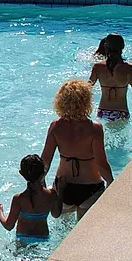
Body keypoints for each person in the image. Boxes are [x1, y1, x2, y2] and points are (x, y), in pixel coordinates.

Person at [41, 79, 113, 218]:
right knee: (85, 229)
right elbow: (101, 164)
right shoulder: (94, 128)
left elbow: (45, 161)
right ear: (86, 101)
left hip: (63, 186)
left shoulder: (56, 126)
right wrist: (111, 182)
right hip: (90, 187)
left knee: (64, 228)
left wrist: (42, 187)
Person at [0, 155, 62, 242]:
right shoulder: (52, 195)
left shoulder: (18, 199)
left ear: (21, 173)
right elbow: (56, 214)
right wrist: (60, 193)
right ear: (44, 173)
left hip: (23, 240)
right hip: (43, 239)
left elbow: (9, 226)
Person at [89, 34, 132, 129]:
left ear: (106, 46)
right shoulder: (129, 68)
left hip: (103, 112)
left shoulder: (98, 67)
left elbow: (87, 89)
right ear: (122, 47)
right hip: (121, 113)